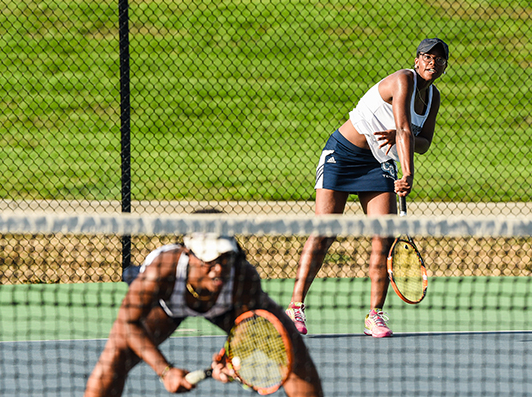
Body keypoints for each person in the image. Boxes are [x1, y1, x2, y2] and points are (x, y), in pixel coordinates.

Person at [286, 38, 448, 338]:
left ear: (444, 66)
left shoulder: (433, 97)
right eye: (427, 56)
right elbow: (402, 130)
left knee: (382, 237)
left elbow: (423, 142)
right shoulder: (403, 80)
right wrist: (408, 172)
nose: (432, 63)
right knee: (325, 231)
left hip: (378, 163)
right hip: (343, 155)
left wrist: (409, 139)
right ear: (416, 60)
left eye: (439, 59)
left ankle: (375, 315)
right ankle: (295, 307)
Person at [84, 232, 323, 397]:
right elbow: (128, 322)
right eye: (210, 260)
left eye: (225, 258)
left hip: (225, 308)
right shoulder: (163, 268)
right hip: (168, 305)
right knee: (116, 354)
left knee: (293, 352)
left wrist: (233, 358)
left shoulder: (242, 276)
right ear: (189, 255)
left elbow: (251, 329)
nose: (218, 268)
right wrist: (165, 371)